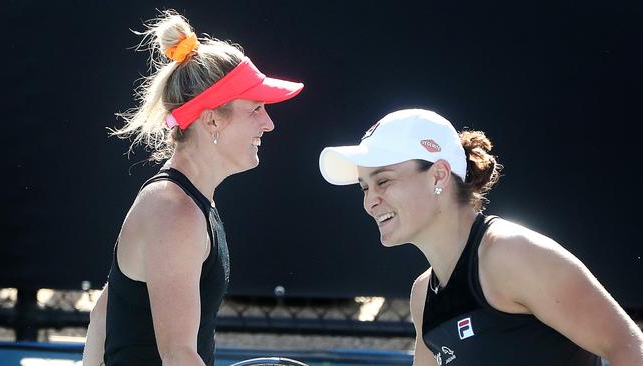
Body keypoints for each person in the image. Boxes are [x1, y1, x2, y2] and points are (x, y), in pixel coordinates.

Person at [318, 109, 643, 365]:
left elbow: (630, 348)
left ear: (439, 175)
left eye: (384, 181)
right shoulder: (423, 296)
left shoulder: (511, 255)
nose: (369, 200)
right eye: (364, 187)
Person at [82, 10, 303, 366]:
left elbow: (101, 318)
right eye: (256, 109)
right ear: (212, 119)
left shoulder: (181, 203)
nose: (269, 123)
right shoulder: (175, 211)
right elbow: (179, 355)